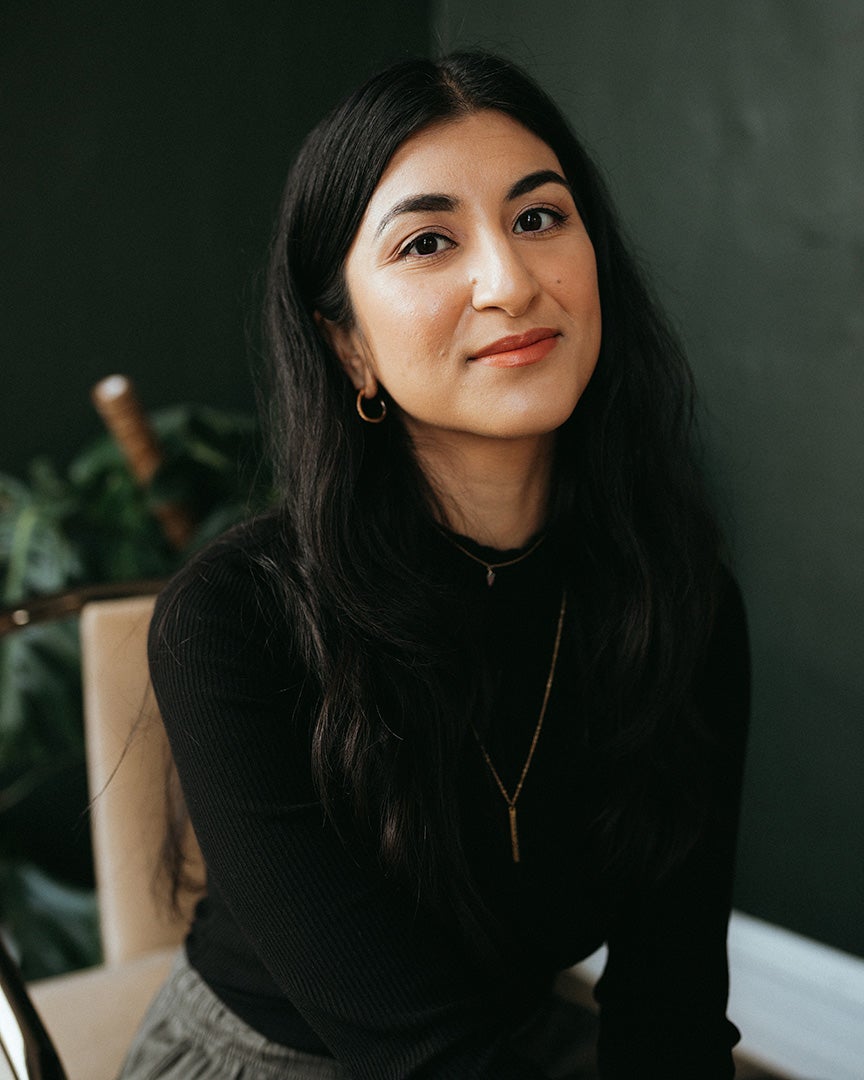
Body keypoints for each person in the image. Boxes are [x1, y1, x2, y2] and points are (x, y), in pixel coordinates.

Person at [119, 51, 749, 1079]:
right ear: (349, 346)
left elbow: (670, 1004)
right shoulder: (233, 620)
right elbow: (419, 1056)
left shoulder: (680, 601)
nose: (509, 282)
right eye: (427, 241)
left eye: (540, 218)